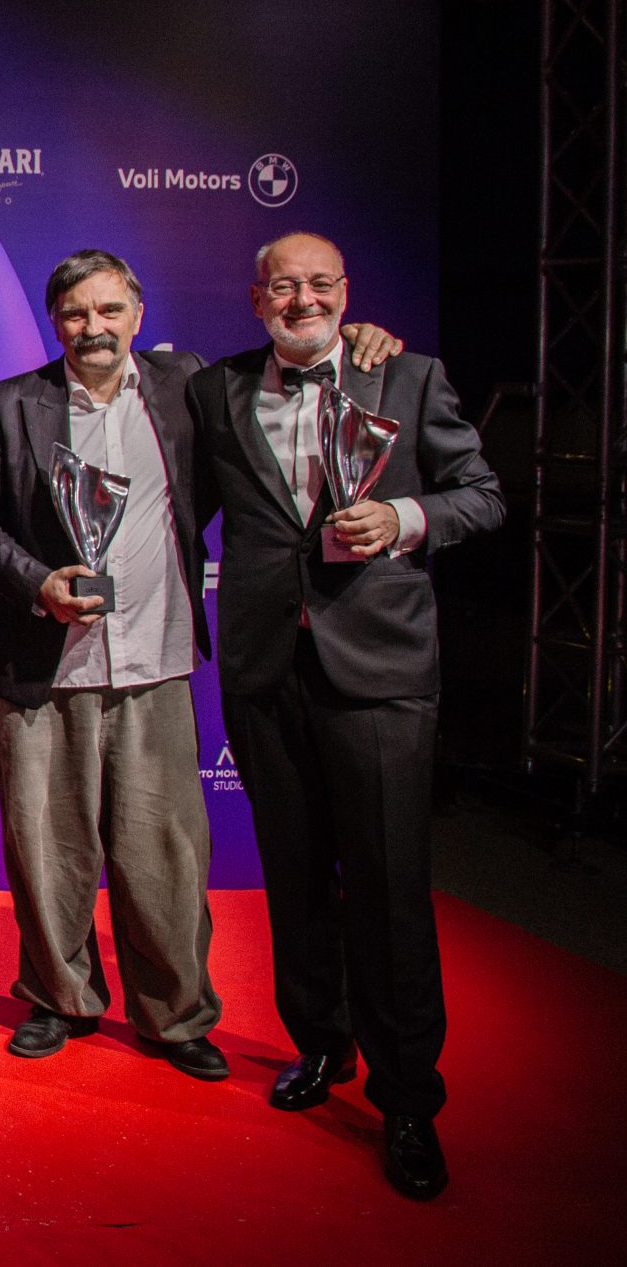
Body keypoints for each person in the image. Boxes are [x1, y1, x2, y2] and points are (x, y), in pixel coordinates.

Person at [189, 231, 503, 1201]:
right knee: (293, 876)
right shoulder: (214, 392)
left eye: (319, 284)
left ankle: (409, 1097)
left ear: (345, 294)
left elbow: (481, 496)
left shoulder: (404, 377)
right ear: (254, 298)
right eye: (283, 286)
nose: (301, 299)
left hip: (378, 671)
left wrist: (405, 523)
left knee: (388, 886)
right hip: (263, 667)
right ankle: (321, 1046)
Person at [0, 250, 228, 1079]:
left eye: (109, 310)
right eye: (75, 313)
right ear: (55, 321)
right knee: (46, 846)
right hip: (46, 660)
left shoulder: (188, 390)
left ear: (137, 313)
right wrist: (39, 582)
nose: (92, 327)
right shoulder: (10, 406)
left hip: (156, 656)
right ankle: (56, 996)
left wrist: (364, 340)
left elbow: (285, 379)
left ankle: (176, 1015)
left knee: (165, 850)